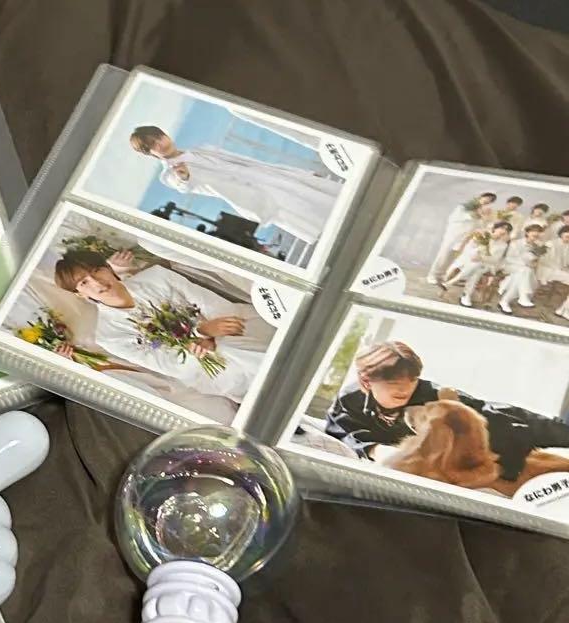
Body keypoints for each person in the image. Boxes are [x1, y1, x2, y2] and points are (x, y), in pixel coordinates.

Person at [323, 340, 569, 480]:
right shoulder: (349, 401)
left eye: (412, 381)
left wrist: (507, 469)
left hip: (504, 426)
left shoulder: (436, 397)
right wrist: (377, 450)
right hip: (404, 456)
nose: (405, 389)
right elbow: (344, 434)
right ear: (367, 382)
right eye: (394, 383)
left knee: (550, 431)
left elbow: (491, 423)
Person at [52, 249, 271, 404]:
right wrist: (201, 335)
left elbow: (212, 304)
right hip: (206, 369)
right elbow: (169, 365)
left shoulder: (157, 276)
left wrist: (213, 334)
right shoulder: (108, 335)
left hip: (236, 326)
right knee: (227, 351)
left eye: (97, 271)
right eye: (84, 282)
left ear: (109, 268)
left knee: (230, 346)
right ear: (80, 294)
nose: (97, 282)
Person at [128, 125, 339, 243]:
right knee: (305, 213)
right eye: (153, 145)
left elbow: (246, 161)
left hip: (265, 176)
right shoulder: (169, 174)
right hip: (253, 193)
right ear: (150, 153)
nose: (160, 144)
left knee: (318, 197)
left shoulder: (202, 149)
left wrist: (293, 172)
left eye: (159, 138)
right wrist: (184, 177)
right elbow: (184, 185)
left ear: (165, 135)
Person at [426, 191, 496, 284]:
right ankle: (432, 275)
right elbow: (453, 218)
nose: (487, 201)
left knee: (452, 257)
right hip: (454, 234)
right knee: (444, 254)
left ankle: (441, 275)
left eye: (490, 200)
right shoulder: (464, 207)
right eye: (487, 198)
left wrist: (483, 217)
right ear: (481, 197)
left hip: (465, 237)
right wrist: (473, 215)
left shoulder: (484, 211)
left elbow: (481, 225)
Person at [452, 220, 513, 307]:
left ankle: (453, 283)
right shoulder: (485, 236)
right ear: (495, 228)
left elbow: (495, 260)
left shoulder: (503, 245)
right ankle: (467, 295)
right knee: (476, 269)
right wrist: (477, 254)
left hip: (490, 266)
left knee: (477, 266)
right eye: (502, 228)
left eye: (506, 230)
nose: (503, 231)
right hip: (474, 261)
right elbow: (471, 248)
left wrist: (481, 258)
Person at [498, 222, 546, 314]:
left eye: (538, 232)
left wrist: (534, 262)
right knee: (524, 271)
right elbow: (509, 258)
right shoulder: (516, 243)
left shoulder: (538, 247)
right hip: (510, 265)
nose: (536, 234)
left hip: (525, 270)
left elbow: (536, 262)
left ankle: (505, 301)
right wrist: (524, 264)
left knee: (521, 275)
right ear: (527, 232)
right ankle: (523, 297)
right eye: (533, 231)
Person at [539, 226, 569, 318]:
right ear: (561, 233)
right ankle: (564, 310)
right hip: (547, 269)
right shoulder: (550, 244)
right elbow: (540, 258)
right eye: (567, 233)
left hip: (560, 271)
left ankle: (563, 309)